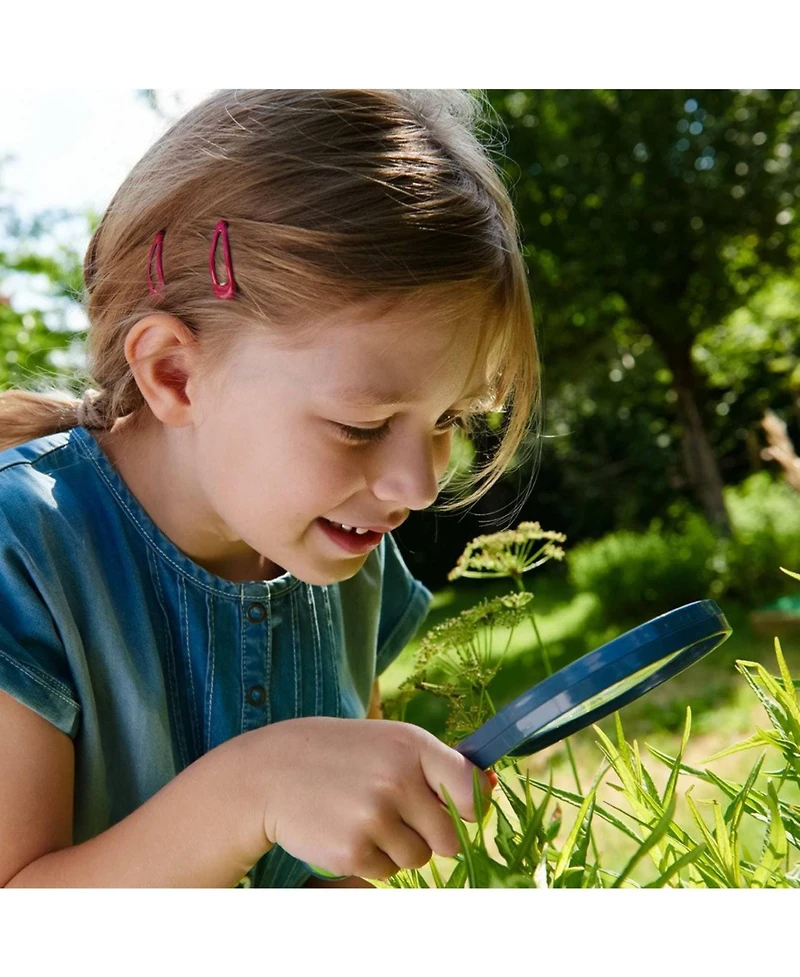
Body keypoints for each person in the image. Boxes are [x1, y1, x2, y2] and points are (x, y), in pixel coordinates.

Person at [0, 89, 540, 888]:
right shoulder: (26, 552)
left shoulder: (349, 559)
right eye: (361, 425)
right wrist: (252, 789)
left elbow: (334, 880)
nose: (418, 485)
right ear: (175, 374)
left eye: (449, 418)